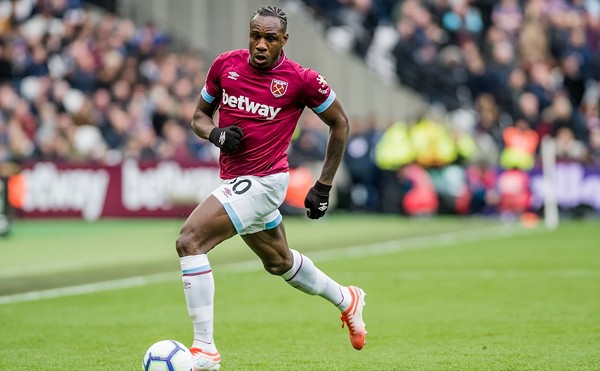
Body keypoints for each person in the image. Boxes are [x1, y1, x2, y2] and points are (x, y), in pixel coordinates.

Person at [175, 6, 367, 370]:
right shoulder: (224, 66)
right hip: (236, 181)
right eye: (255, 36)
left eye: (270, 38)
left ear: (284, 41)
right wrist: (216, 134)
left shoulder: (302, 79)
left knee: (189, 241)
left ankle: (205, 350)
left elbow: (340, 123)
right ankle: (347, 299)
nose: (260, 45)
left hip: (266, 182)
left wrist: (323, 185)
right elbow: (199, 116)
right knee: (280, 263)